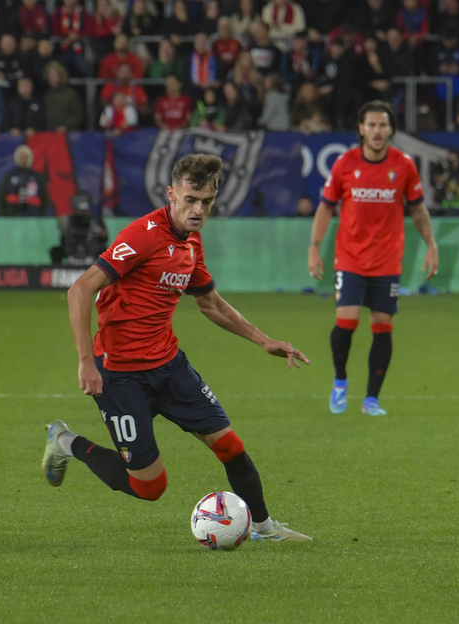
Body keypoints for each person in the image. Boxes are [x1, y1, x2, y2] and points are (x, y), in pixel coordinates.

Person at [43, 154, 312, 543]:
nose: (198, 209)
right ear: (172, 194)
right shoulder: (143, 234)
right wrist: (87, 361)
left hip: (169, 367)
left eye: (206, 201)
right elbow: (80, 289)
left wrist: (263, 339)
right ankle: (65, 442)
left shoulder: (191, 244)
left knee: (230, 446)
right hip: (119, 375)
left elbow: (210, 303)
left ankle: (265, 528)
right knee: (150, 487)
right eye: (190, 199)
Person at [307, 101, 438, 416]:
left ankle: (371, 400)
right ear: (361, 129)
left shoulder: (404, 165)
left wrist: (432, 245)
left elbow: (418, 209)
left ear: (391, 129)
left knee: (382, 325)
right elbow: (326, 206)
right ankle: (340, 380)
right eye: (372, 125)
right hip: (350, 258)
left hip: (387, 261)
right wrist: (314, 247)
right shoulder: (344, 164)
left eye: (383, 125)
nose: (377, 131)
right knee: (346, 323)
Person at [49, 190, 107, 265]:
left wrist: (98, 232)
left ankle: (104, 272)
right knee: (55, 251)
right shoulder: (69, 220)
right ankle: (58, 272)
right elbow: (63, 238)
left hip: (91, 251)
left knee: (106, 251)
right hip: (72, 251)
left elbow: (105, 239)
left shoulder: (95, 220)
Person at [0, 145, 51, 216]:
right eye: (21, 156)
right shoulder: (9, 176)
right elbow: (1, 197)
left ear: (29, 158)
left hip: (33, 218)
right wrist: (5, 215)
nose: (23, 159)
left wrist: (41, 215)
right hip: (12, 217)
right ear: (17, 158)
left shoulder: (37, 177)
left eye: (25, 156)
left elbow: (45, 198)